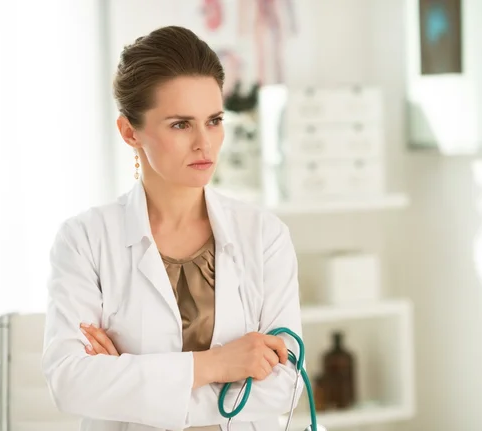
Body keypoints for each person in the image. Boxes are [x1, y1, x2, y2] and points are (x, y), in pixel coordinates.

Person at [41, 25, 304, 431]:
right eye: (181, 124)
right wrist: (218, 364)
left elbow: (284, 385)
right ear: (130, 132)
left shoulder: (265, 236)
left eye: (214, 120)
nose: (205, 143)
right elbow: (71, 383)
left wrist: (132, 381)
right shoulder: (84, 240)